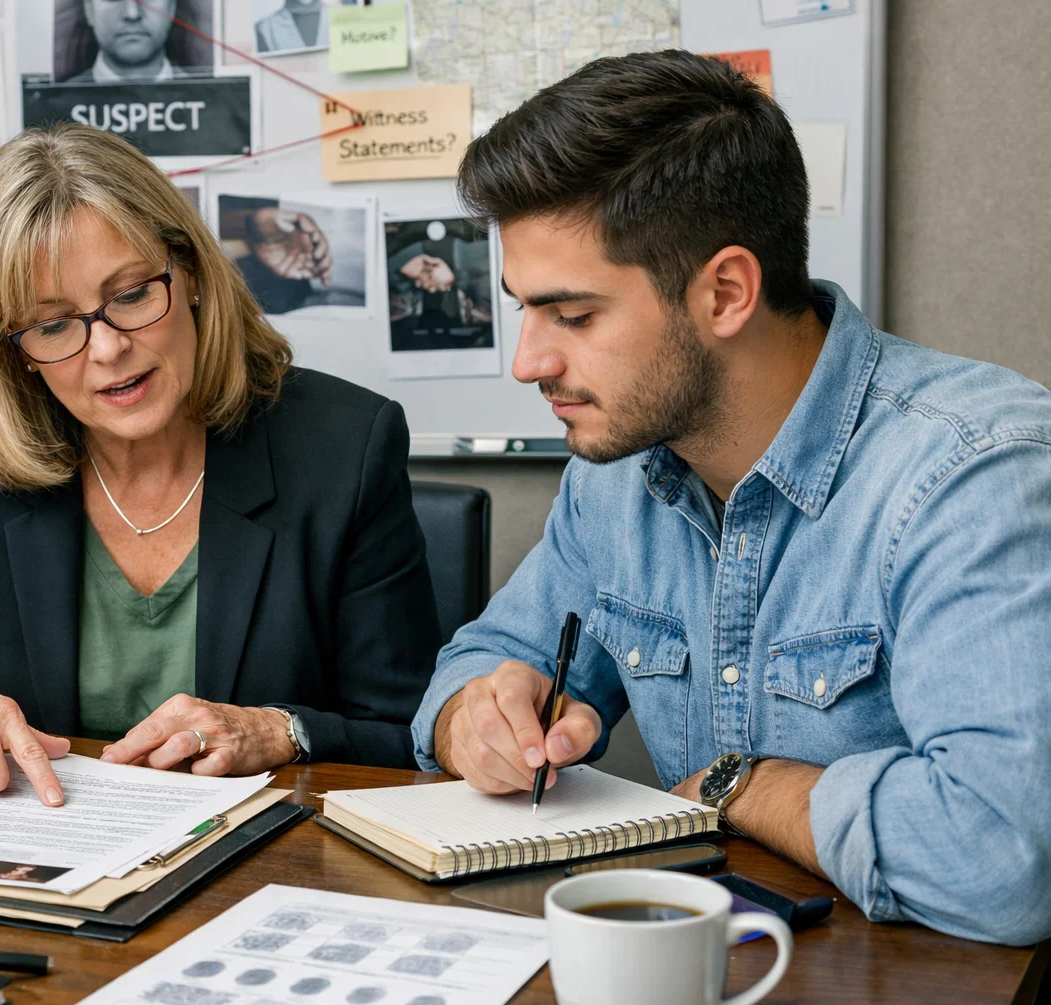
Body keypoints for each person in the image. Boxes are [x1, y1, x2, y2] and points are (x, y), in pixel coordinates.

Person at [413, 50, 1051, 946]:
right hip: (713, 967)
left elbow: (1002, 858)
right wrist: (476, 716)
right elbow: (485, 657)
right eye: (525, 309)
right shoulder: (614, 472)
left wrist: (734, 784)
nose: (528, 363)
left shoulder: (973, 476)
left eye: (574, 315)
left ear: (725, 293)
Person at [0, 122, 441, 806]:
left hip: (260, 877)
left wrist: (282, 732)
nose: (106, 350)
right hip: (33, 871)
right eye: (52, 324)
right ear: (14, 346)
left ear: (188, 273)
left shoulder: (343, 444)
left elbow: (409, 730)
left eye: (130, 295)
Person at [64, 0, 202, 83]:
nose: (132, 13)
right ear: (89, 10)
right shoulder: (54, 105)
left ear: (172, 7)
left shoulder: (210, 100)